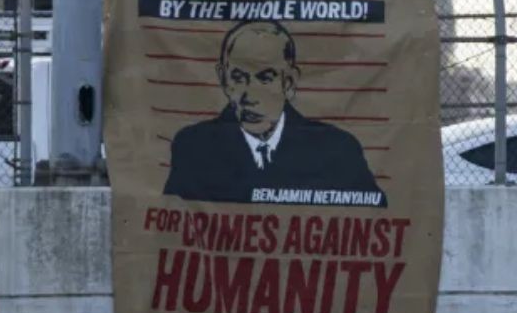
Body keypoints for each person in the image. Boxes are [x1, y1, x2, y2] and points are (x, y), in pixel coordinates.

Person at [163, 19, 386, 207]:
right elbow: (168, 233)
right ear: (223, 79)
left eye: (265, 78)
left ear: (289, 83)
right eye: (238, 78)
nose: (249, 96)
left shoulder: (338, 151)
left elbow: (375, 223)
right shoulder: (194, 149)